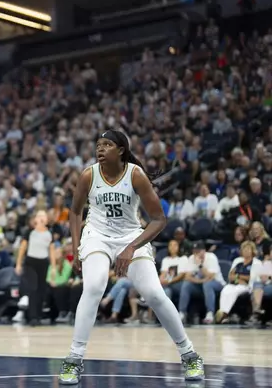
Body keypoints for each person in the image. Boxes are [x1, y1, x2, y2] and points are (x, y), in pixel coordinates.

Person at [58, 130, 204, 385]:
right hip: (97, 236)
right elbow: (75, 211)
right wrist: (77, 245)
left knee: (155, 294)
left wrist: (131, 248)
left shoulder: (134, 175)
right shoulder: (88, 175)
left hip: (130, 237)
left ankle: (189, 354)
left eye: (107, 145)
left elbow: (159, 220)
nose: (100, 149)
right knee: (93, 287)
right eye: (98, 145)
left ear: (121, 150)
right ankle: (74, 358)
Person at [15, 210, 57, 326]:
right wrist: (18, 264)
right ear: (35, 219)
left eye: (43, 216)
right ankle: (32, 317)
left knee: (41, 290)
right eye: (39, 216)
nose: (41, 218)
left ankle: (38, 316)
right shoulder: (29, 232)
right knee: (32, 288)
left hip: (43, 262)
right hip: (30, 262)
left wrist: (53, 267)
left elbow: (52, 250)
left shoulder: (50, 233)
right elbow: (22, 248)